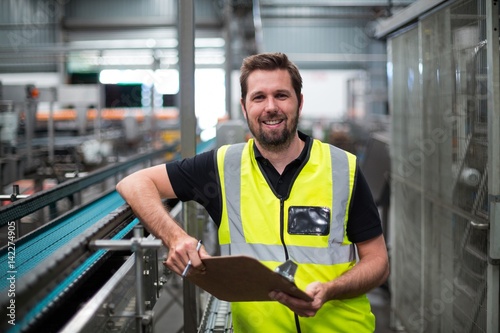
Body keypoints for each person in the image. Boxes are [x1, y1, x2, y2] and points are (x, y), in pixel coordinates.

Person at [116, 52, 389, 332]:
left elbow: (377, 261)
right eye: (259, 97)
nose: (271, 107)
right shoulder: (221, 167)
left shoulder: (342, 168)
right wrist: (176, 238)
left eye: (281, 95)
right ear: (244, 108)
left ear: (300, 102)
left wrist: (330, 289)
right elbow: (134, 183)